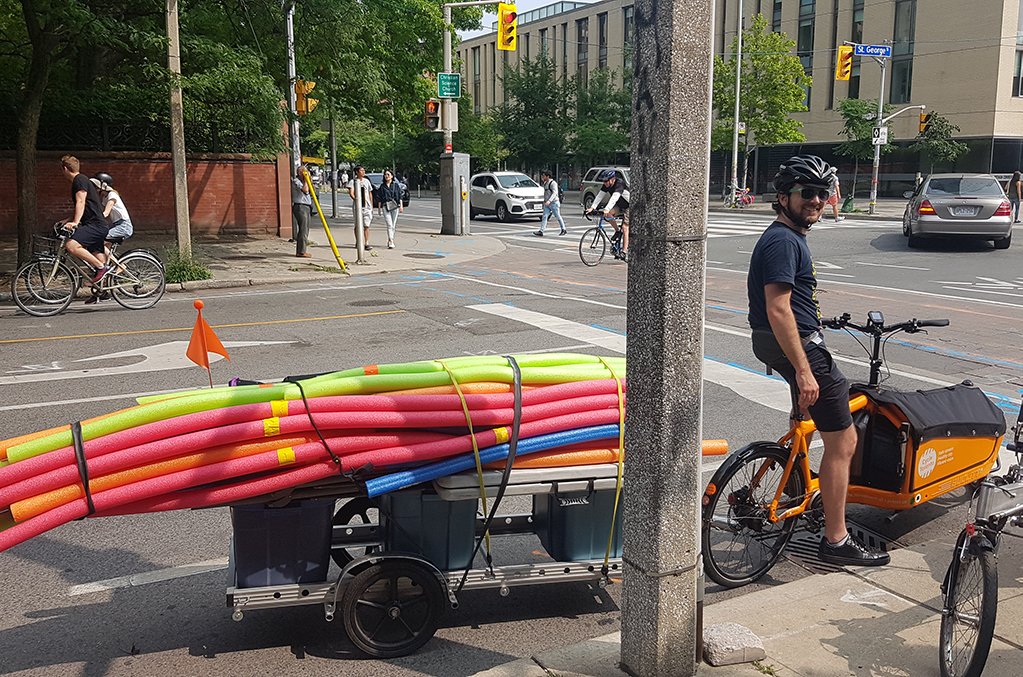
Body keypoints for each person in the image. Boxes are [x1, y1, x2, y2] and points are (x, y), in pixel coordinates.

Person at [747, 154, 889, 568]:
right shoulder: (784, 241)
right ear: (783, 197)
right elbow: (778, 308)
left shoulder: (786, 238)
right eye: (806, 193)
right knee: (844, 440)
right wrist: (806, 369)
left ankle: (796, 488)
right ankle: (837, 538)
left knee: (807, 424)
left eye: (822, 194)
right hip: (798, 347)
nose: (815, 200)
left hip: (780, 342)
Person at [59, 155, 110, 285]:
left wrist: (75, 223)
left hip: (96, 225)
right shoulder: (82, 179)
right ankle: (102, 290)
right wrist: (68, 220)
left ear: (65, 169)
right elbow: (86, 205)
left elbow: (81, 201)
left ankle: (101, 267)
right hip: (96, 224)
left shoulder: (79, 180)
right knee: (96, 252)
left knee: (71, 245)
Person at [585, 169, 629, 259]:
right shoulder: (606, 185)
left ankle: (624, 251)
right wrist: (592, 208)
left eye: (606, 181)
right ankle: (617, 231)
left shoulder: (619, 183)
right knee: (608, 214)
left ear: (612, 179)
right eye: (603, 181)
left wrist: (606, 208)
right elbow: (599, 196)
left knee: (625, 227)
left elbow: (614, 197)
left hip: (629, 206)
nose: (604, 183)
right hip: (619, 206)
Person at [375, 169, 404, 249]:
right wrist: (379, 209)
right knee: (389, 224)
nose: (386, 176)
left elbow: (400, 196)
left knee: (393, 225)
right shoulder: (382, 186)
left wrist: (401, 206)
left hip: (395, 206)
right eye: (385, 174)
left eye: (388, 174)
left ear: (392, 176)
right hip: (385, 206)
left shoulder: (396, 185)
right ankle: (391, 240)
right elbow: (379, 198)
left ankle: (390, 239)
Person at [534, 168, 567, 237]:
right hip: (547, 203)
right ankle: (541, 231)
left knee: (557, 216)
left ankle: (563, 229)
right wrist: (545, 201)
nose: (542, 177)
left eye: (544, 176)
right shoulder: (545, 183)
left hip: (553, 203)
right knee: (544, 216)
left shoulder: (553, 183)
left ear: (548, 176)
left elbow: (555, 193)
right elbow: (546, 193)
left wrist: (549, 201)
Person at [347, 165, 374, 250]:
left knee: (366, 225)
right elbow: (351, 192)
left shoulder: (367, 181)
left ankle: (366, 242)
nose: (363, 172)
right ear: (357, 172)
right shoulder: (353, 181)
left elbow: (370, 193)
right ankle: (358, 241)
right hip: (358, 207)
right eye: (361, 171)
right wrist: (356, 199)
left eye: (363, 170)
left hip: (367, 206)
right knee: (358, 225)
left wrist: (371, 204)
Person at [292, 164, 313, 258]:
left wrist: (309, 179)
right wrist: (305, 179)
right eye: (304, 171)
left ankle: (302, 249)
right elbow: (305, 190)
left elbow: (311, 189)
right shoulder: (296, 181)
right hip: (300, 206)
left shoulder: (305, 181)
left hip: (307, 206)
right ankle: (301, 251)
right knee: (303, 229)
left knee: (306, 229)